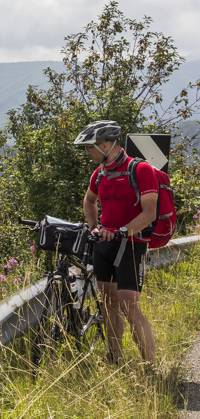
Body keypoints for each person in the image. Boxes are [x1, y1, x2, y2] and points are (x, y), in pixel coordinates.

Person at [75, 120, 157, 367]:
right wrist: (95, 228)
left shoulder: (141, 170)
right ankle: (115, 359)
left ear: (106, 144)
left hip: (131, 244)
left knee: (129, 305)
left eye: (90, 147)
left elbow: (150, 212)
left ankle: (151, 368)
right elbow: (89, 202)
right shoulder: (100, 172)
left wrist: (122, 231)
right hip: (105, 245)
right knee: (109, 303)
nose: (87, 152)